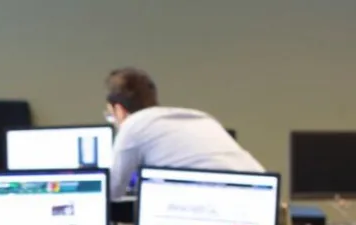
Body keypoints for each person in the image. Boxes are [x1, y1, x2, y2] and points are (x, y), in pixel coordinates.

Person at [104, 67, 266, 199]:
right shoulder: (200, 117)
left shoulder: (133, 124)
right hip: (263, 192)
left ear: (118, 110)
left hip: (223, 200)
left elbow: (112, 191)